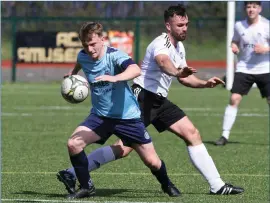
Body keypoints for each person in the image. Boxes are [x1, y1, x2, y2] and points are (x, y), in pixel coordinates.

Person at [58, 5, 244, 196]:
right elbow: (164, 63)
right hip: (143, 98)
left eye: (186, 24)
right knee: (122, 148)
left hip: (159, 101)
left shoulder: (179, 47)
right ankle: (73, 173)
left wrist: (204, 83)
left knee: (192, 133)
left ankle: (217, 185)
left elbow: (183, 76)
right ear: (168, 26)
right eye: (179, 25)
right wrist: (178, 71)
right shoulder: (160, 43)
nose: (184, 28)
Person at [60, 21, 193, 199]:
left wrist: (115, 78)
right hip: (100, 116)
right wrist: (73, 74)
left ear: (102, 39)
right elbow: (80, 62)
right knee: (73, 144)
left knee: (152, 162)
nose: (90, 49)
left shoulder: (114, 56)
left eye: (93, 44)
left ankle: (166, 184)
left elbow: (135, 69)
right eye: (86, 45)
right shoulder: (83, 55)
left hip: (128, 118)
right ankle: (86, 187)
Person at [215, 1, 270, 146]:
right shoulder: (239, 25)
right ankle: (224, 136)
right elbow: (235, 41)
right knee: (234, 99)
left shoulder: (266, 25)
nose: (251, 9)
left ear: (260, 9)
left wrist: (266, 49)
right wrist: (234, 47)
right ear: (245, 8)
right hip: (244, 68)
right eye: (248, 6)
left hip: (265, 69)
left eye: (254, 7)